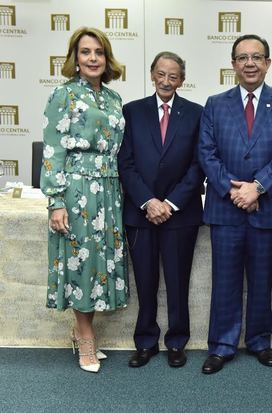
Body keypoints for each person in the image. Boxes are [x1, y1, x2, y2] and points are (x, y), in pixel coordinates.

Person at [198, 34, 272, 374]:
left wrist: (257, 188)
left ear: (268, 63)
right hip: (225, 210)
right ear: (233, 65)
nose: (250, 63)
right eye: (243, 57)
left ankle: (259, 340)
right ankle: (222, 345)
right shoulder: (215, 103)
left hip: (266, 208)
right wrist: (234, 190)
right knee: (224, 280)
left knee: (261, 280)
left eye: (257, 57)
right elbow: (206, 153)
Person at [41, 26, 127, 373]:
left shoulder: (113, 99)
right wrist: (56, 201)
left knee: (100, 262)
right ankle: (86, 337)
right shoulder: (63, 95)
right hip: (77, 191)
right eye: (85, 52)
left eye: (99, 52)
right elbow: (52, 149)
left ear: (107, 59)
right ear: (75, 59)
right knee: (81, 260)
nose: (93, 58)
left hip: (109, 189)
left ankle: (82, 330)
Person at [118, 52, 204, 369]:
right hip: (140, 213)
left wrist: (169, 203)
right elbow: (124, 163)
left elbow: (199, 165)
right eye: (161, 74)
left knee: (178, 281)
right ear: (152, 74)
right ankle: (145, 342)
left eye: (173, 76)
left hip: (180, 214)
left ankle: (177, 341)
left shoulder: (196, 114)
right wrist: (148, 201)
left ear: (181, 80)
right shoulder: (132, 111)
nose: (166, 81)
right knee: (145, 280)